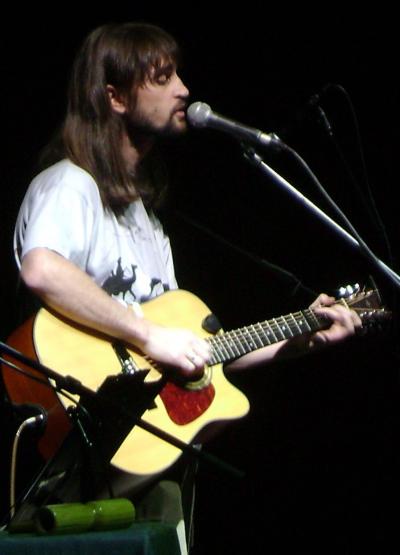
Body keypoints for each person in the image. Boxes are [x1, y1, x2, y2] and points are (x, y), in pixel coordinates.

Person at [12, 21, 361, 552]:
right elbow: (41, 269)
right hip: (75, 449)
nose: (184, 89)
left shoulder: (148, 222)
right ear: (116, 97)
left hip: (143, 467)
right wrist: (148, 334)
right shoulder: (69, 185)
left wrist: (300, 338)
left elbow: (195, 352)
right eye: (163, 77)